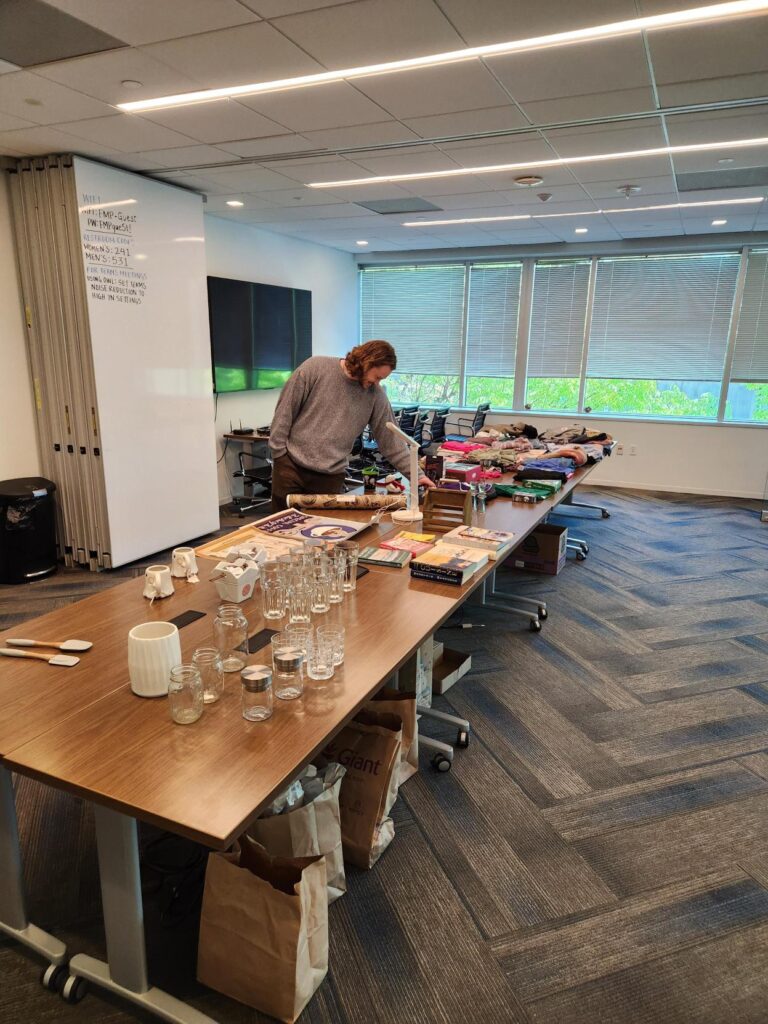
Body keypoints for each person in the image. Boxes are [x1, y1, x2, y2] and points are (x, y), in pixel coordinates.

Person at [268, 340, 435, 511]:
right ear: (367, 362)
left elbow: (392, 442)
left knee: (322, 526)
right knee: (281, 524)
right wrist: (279, 455)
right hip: (290, 467)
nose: (377, 383)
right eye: (377, 377)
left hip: (330, 476)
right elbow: (284, 413)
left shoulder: (375, 396)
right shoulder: (315, 368)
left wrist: (418, 476)